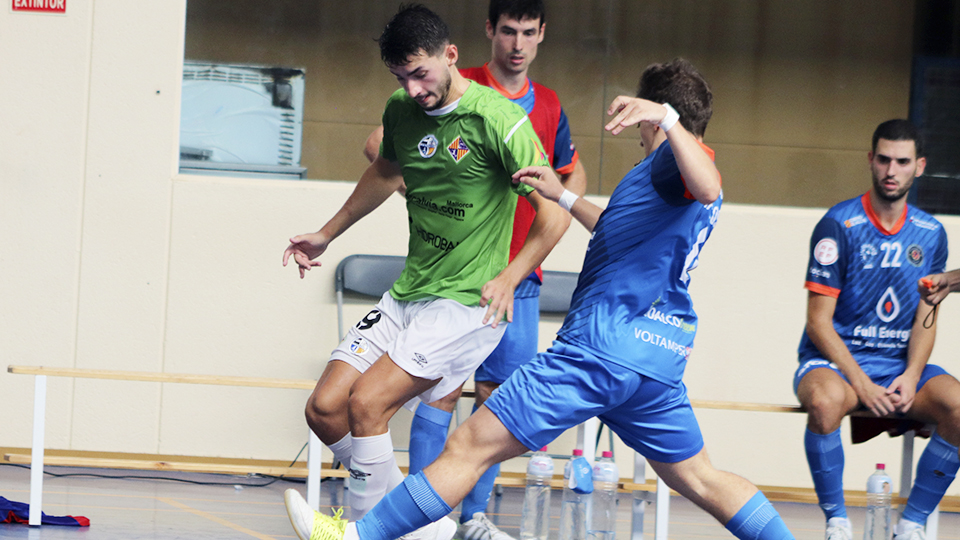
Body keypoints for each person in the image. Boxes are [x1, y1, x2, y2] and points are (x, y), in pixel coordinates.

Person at [285, 58, 797, 540]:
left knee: (468, 446)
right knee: (701, 477)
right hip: (656, 359)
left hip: (597, 353)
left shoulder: (672, 164)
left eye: (646, 118)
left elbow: (706, 184)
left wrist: (665, 118)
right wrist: (564, 196)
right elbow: (617, 233)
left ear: (654, 120)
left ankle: (359, 535)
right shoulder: (664, 186)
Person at [282, 4, 567, 539]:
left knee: (367, 403)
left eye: (421, 73)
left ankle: (366, 531)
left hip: (467, 304)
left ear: (450, 55)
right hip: (411, 291)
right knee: (324, 409)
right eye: (400, 77)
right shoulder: (401, 110)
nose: (413, 88)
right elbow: (384, 171)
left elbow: (554, 217)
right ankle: (421, 524)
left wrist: (510, 276)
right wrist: (326, 232)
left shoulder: (499, 120)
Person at [363, 2, 586, 538]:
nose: (516, 44)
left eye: (528, 33)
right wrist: (430, 189)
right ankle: (416, 518)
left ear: (540, 36)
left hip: (518, 280)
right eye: (507, 31)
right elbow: (382, 148)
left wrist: (558, 209)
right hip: (455, 280)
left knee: (495, 404)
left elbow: (568, 173)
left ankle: (475, 517)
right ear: (487, 33)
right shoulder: (450, 84)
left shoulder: (548, 104)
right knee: (436, 393)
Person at [795, 119, 959, 540]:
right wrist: (861, 383)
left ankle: (911, 526)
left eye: (902, 162)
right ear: (870, 160)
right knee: (823, 403)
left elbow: (928, 313)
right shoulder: (838, 224)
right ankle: (836, 521)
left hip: (900, 367)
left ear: (919, 166)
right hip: (837, 365)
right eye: (883, 159)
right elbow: (818, 321)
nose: (891, 170)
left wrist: (909, 373)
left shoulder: (931, 233)